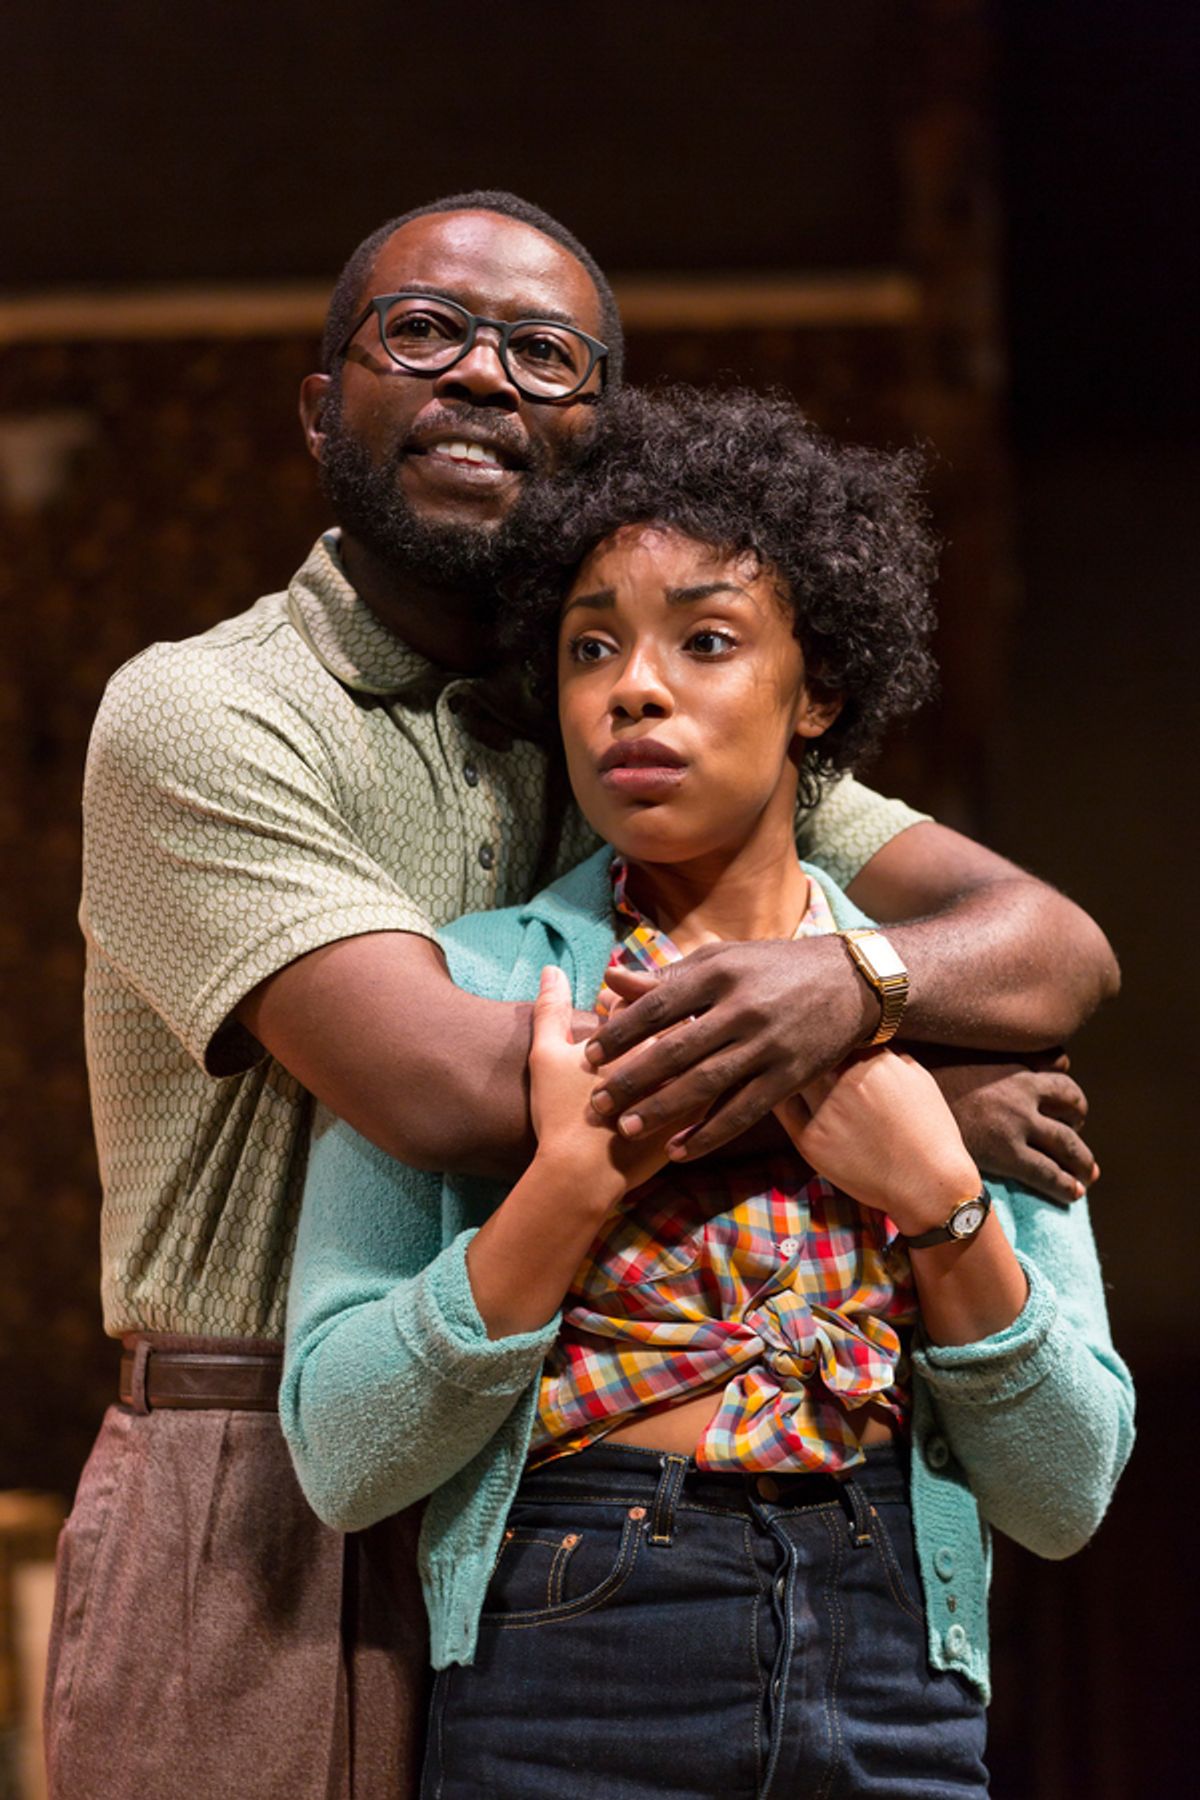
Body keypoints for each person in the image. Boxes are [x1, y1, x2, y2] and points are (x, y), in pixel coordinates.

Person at [50, 190, 1115, 1800]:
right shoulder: (208, 711)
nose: (484, 375)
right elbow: (449, 1091)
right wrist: (920, 1110)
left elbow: (1048, 946)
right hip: (261, 1475)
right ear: (322, 399)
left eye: (545, 355)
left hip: (539, 1490)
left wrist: (859, 981)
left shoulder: (627, 725)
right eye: (424, 329)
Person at [282, 386, 1134, 1799]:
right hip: (567, 1640)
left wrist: (937, 1199)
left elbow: (1064, 1494)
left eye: (710, 640)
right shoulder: (473, 987)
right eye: (590, 647)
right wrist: (562, 1193)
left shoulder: (944, 1017)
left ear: (820, 695)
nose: (634, 687)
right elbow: (343, 1453)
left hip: (892, 1648)